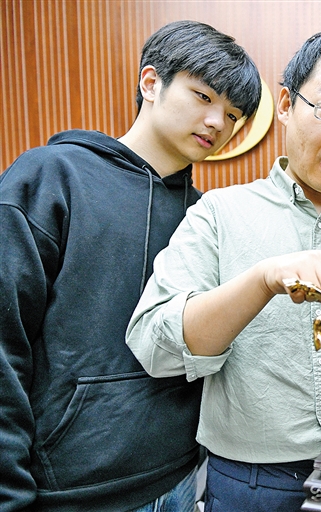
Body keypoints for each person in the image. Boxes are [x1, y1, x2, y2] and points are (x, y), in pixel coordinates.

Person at [125, 31, 321, 512]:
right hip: (252, 484)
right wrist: (263, 280)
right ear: (286, 105)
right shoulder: (219, 213)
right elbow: (157, 346)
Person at [0, 20, 261, 511]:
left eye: (232, 114)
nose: (217, 123)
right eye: (203, 97)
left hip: (182, 481)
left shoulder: (204, 216)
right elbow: (4, 343)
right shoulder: (52, 177)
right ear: (151, 82)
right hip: (66, 493)